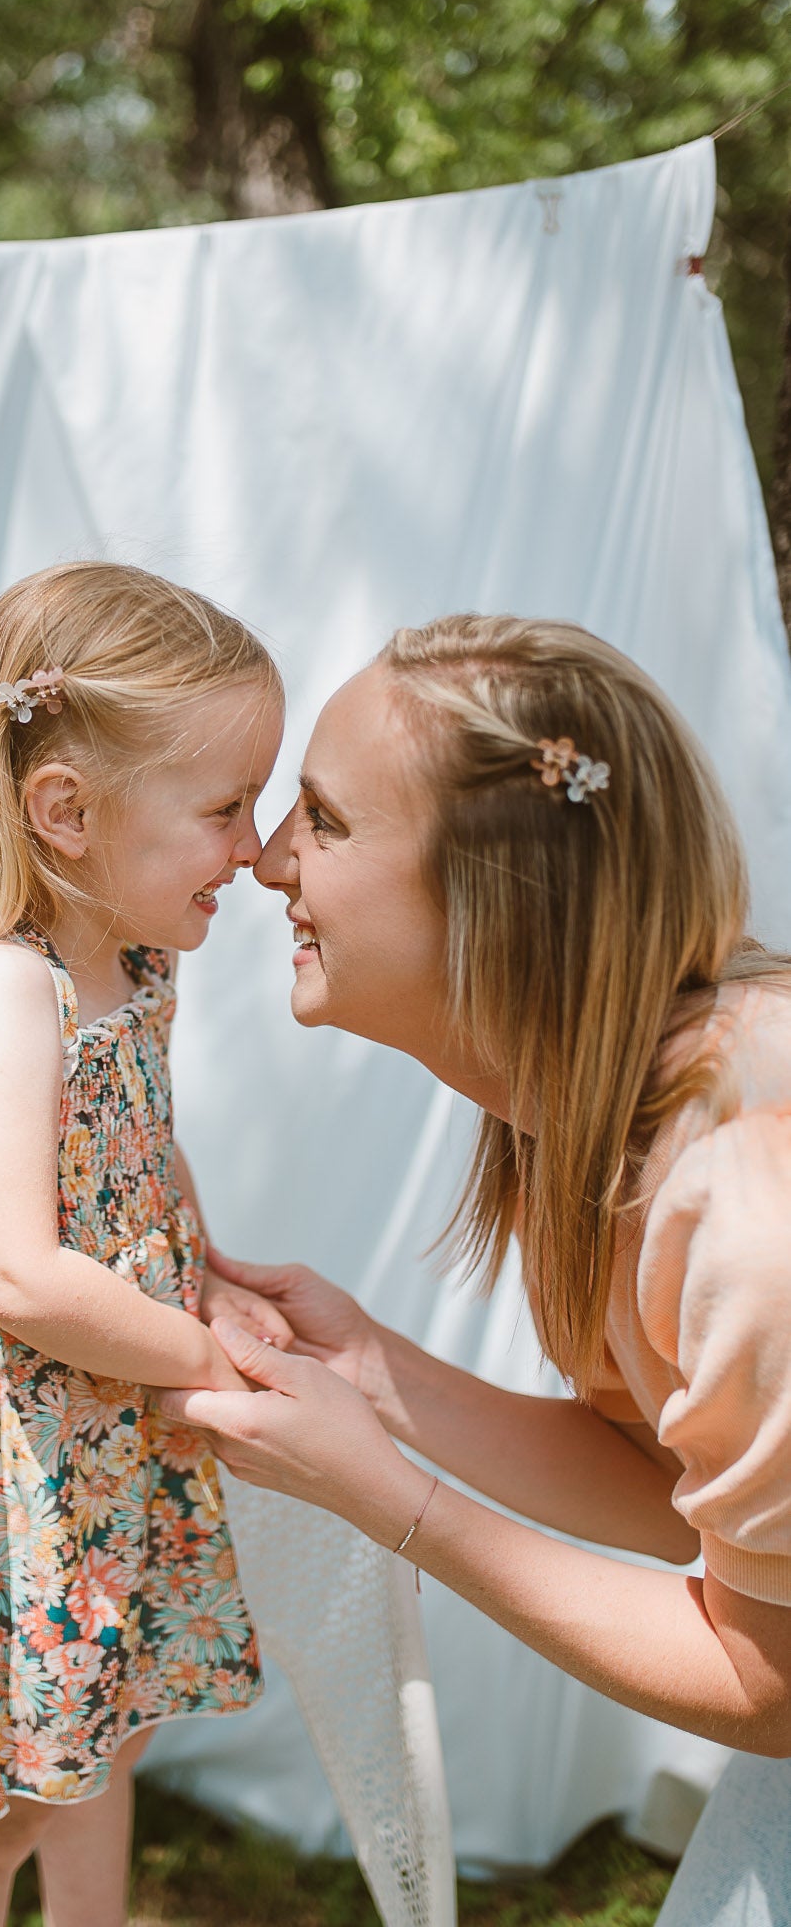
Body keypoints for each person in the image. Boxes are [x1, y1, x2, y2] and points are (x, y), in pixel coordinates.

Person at [161, 612, 791, 1926]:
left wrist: (391, 1500)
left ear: (496, 891)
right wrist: (379, 1375)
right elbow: (692, 1502)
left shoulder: (750, 1200)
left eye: (324, 821)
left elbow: (774, 1677)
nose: (271, 858)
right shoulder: (573, 1123)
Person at [0, 561, 290, 1927]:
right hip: (20, 1443)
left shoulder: (133, 963)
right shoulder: (1, 990)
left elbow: (145, 1155)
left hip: (103, 1414)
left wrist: (211, 1272)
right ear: (67, 812)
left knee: (104, 1733)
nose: (258, 843)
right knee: (3, 1810)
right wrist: (200, 1351)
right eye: (225, 806)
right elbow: (17, 1271)